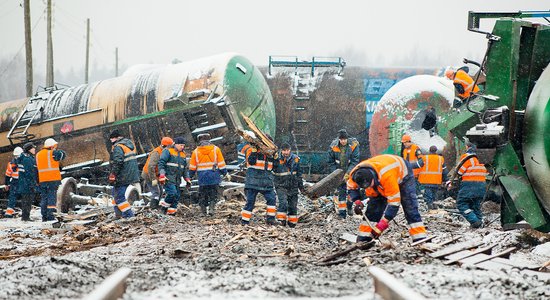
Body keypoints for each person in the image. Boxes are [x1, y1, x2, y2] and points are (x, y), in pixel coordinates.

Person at [348, 154, 427, 242]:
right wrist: (357, 201)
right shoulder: (355, 175)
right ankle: (364, 238)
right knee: (373, 208)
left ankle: (419, 238)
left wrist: (383, 223)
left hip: (404, 174)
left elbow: (394, 203)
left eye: (369, 185)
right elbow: (351, 188)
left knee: (409, 206)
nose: (367, 188)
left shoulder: (387, 177)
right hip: (382, 171)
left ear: (373, 178)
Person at [447, 142, 487, 228]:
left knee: (461, 204)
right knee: (475, 205)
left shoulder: (467, 157)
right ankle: (479, 223)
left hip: (469, 184)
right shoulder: (482, 158)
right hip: (482, 185)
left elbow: (459, 172)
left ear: (467, 146)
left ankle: (475, 221)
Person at [188, 133, 227, 216]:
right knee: (213, 194)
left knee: (203, 194)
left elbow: (192, 167)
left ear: (199, 141)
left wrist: (189, 177)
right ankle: (211, 209)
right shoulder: (216, 149)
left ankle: (203, 211)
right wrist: (225, 173)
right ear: (209, 140)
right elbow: (221, 163)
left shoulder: (196, 152)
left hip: (202, 177)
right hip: (214, 176)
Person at [240, 144, 278, 225]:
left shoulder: (270, 155)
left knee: (272, 199)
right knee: (250, 201)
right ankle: (244, 221)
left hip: (266, 181)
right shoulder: (252, 150)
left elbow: (275, 167)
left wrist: (276, 158)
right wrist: (254, 152)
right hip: (253, 181)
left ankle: (271, 219)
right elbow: (251, 161)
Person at [327, 129, 360, 218]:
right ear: (339, 139)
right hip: (339, 171)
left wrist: (348, 173)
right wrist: (336, 174)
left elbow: (354, 161)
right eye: (341, 140)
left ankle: (349, 205)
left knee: (351, 190)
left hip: (351, 171)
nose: (343, 141)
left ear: (347, 138)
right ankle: (342, 214)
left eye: (344, 139)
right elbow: (330, 162)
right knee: (341, 191)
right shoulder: (333, 146)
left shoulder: (353, 145)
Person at [108, 130, 140, 219]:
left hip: (123, 176)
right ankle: (118, 215)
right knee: (115, 195)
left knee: (119, 197)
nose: (111, 141)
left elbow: (118, 162)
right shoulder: (127, 145)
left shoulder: (118, 147)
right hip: (130, 174)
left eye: (112, 138)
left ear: (116, 138)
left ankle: (128, 215)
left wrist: (113, 174)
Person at [36, 138, 67, 221]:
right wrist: (59, 151)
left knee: (44, 198)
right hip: (52, 179)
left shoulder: (38, 154)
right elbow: (63, 155)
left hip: (42, 180)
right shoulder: (52, 153)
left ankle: (44, 216)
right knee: (52, 198)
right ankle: (50, 215)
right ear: (52, 146)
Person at [158, 136, 190, 215]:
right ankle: (163, 208)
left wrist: (187, 178)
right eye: (180, 145)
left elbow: (184, 168)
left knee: (177, 196)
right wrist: (162, 174)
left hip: (177, 179)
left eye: (183, 145)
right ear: (175, 144)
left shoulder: (183, 155)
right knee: (172, 193)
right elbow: (161, 163)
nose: (182, 147)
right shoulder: (168, 151)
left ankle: (171, 213)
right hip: (168, 178)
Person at [273, 143, 303, 228]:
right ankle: (281, 222)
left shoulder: (296, 159)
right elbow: (272, 171)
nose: (286, 152)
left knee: (293, 206)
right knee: (283, 203)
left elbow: (299, 174)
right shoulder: (276, 159)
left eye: (287, 150)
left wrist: (301, 187)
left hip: (293, 186)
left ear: (290, 150)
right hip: (281, 185)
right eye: (284, 150)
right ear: (281, 151)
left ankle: (292, 224)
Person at [142, 137, 173, 209]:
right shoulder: (156, 153)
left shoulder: (163, 152)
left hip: (155, 174)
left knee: (161, 191)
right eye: (169, 146)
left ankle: (155, 206)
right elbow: (150, 166)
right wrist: (153, 179)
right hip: (149, 174)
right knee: (156, 192)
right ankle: (153, 208)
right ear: (165, 146)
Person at [418, 145, 447, 210]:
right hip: (436, 180)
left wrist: (407, 165)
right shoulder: (441, 158)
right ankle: (434, 204)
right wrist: (446, 180)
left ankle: (430, 206)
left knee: (428, 193)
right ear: (436, 151)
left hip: (427, 180)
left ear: (429, 150)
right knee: (434, 193)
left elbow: (417, 165)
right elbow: (445, 170)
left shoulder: (425, 158)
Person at [16, 142, 39, 221]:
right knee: (27, 201)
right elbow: (30, 173)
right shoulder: (27, 159)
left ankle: (25, 216)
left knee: (25, 201)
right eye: (33, 148)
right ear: (29, 149)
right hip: (27, 184)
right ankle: (26, 217)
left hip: (23, 183)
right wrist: (33, 184)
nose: (34, 149)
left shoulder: (23, 158)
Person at [4, 147, 23, 218]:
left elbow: (7, 175)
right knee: (25, 195)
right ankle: (25, 211)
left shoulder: (11, 164)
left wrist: (7, 184)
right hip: (22, 181)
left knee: (13, 196)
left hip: (14, 181)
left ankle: (9, 211)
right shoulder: (25, 162)